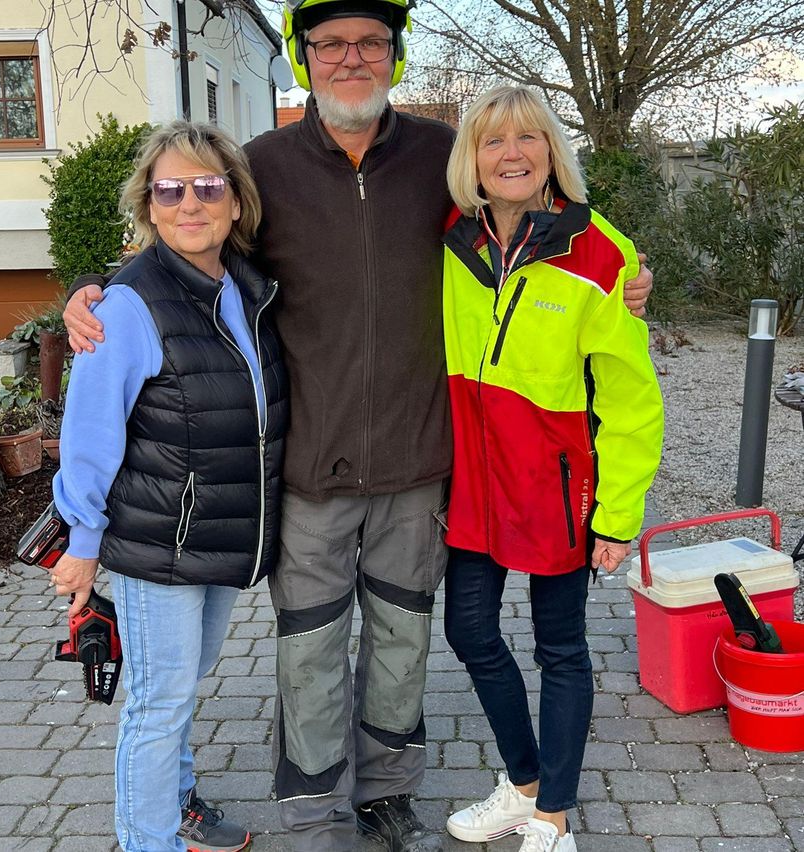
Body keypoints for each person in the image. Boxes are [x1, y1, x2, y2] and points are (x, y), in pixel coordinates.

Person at [63, 4, 654, 850]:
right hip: (309, 464)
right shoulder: (264, 166)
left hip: (420, 463)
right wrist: (96, 287)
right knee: (308, 648)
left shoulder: (437, 160)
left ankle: (385, 792)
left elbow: (538, 231)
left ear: (394, 56)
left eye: (370, 42)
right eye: (331, 44)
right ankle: (312, 808)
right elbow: (192, 245)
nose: (351, 58)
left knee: (401, 643)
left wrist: (632, 273)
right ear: (305, 60)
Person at [49, 120, 288, 852]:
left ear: (236, 203)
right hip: (160, 542)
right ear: (149, 206)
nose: (191, 202)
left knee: (181, 685)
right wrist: (81, 544)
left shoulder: (246, 288)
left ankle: (178, 806)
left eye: (208, 187)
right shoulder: (128, 305)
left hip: (219, 532)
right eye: (171, 189)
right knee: (157, 702)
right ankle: (146, 839)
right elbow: (90, 436)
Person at [440, 85, 664, 852]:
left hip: (561, 491)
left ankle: (554, 819)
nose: (511, 155)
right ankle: (524, 781)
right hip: (473, 483)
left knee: (560, 646)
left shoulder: (602, 254)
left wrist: (619, 515)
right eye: (492, 141)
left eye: (527, 139)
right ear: (471, 157)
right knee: (469, 630)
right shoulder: (450, 238)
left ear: (551, 151)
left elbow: (635, 403)